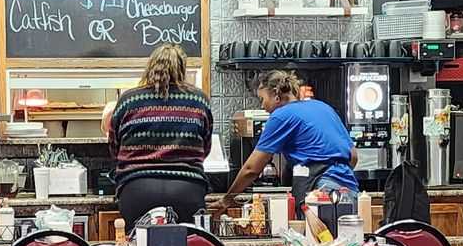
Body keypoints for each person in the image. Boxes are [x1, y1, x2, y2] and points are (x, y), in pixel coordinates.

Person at [212, 69, 358, 212]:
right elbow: (353, 156)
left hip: (322, 192)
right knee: (348, 235)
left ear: (276, 96)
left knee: (320, 236)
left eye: (262, 99)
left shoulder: (281, 115)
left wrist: (227, 199)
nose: (262, 106)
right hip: (350, 189)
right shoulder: (323, 107)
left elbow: (251, 169)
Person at [108, 43, 213, 227]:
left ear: (150, 65)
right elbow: (206, 147)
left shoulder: (129, 99)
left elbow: (114, 145)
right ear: (182, 68)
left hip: (137, 189)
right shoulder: (198, 100)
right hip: (187, 189)